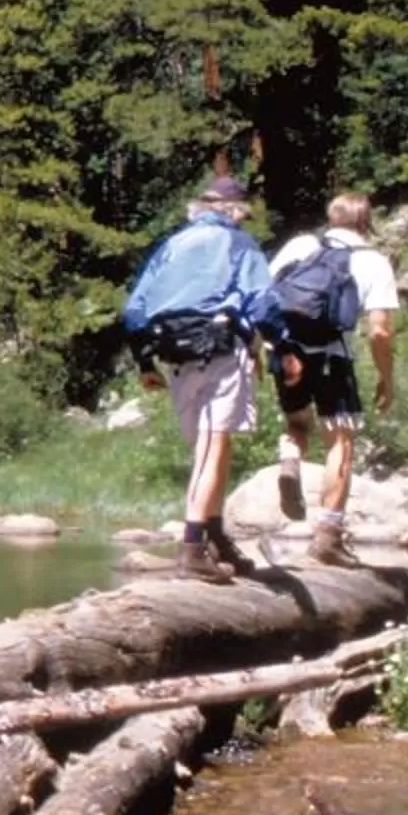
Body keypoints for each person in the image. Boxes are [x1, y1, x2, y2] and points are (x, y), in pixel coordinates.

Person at [120, 175, 282, 583]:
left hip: (174, 355)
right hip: (220, 350)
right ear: (236, 210)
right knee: (213, 446)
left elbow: (135, 310)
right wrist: (286, 347)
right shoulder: (239, 244)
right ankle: (192, 546)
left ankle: (214, 535)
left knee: (211, 446)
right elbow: (262, 301)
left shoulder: (171, 246)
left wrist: (144, 365)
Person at [268, 191, 399, 567]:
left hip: (287, 349)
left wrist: (259, 348)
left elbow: (263, 294)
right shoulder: (374, 262)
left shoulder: (302, 244)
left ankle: (289, 457)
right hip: (332, 355)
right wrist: (386, 380)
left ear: (332, 217)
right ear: (365, 221)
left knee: (296, 421)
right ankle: (328, 536)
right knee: (339, 440)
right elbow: (379, 332)